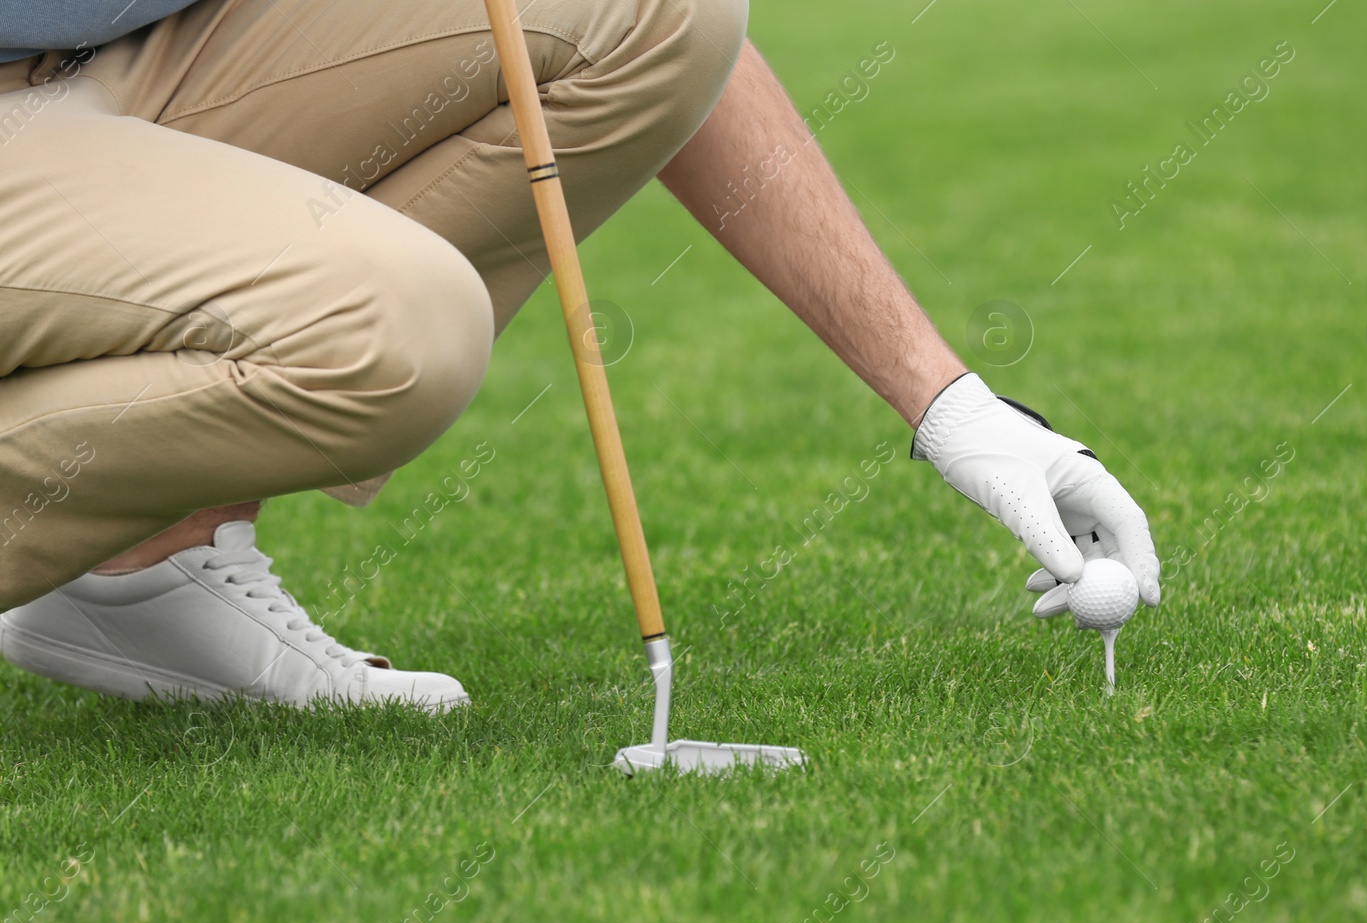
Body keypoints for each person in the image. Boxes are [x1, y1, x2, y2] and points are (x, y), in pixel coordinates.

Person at [0, 0, 1159, 709]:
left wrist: (950, 404)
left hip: (130, 55)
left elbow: (673, 60)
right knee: (397, 332)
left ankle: (150, 562)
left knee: (659, 9)